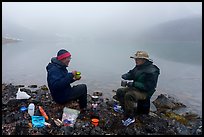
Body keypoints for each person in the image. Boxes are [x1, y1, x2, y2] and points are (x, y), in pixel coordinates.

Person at [114, 51, 160, 126]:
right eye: (135, 59)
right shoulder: (139, 67)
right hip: (136, 88)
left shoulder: (152, 71)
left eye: (138, 59)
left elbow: (149, 86)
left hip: (145, 93)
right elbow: (132, 74)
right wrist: (125, 76)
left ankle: (130, 117)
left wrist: (133, 84)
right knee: (120, 91)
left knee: (129, 95)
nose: (135, 60)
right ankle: (123, 107)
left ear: (144, 60)